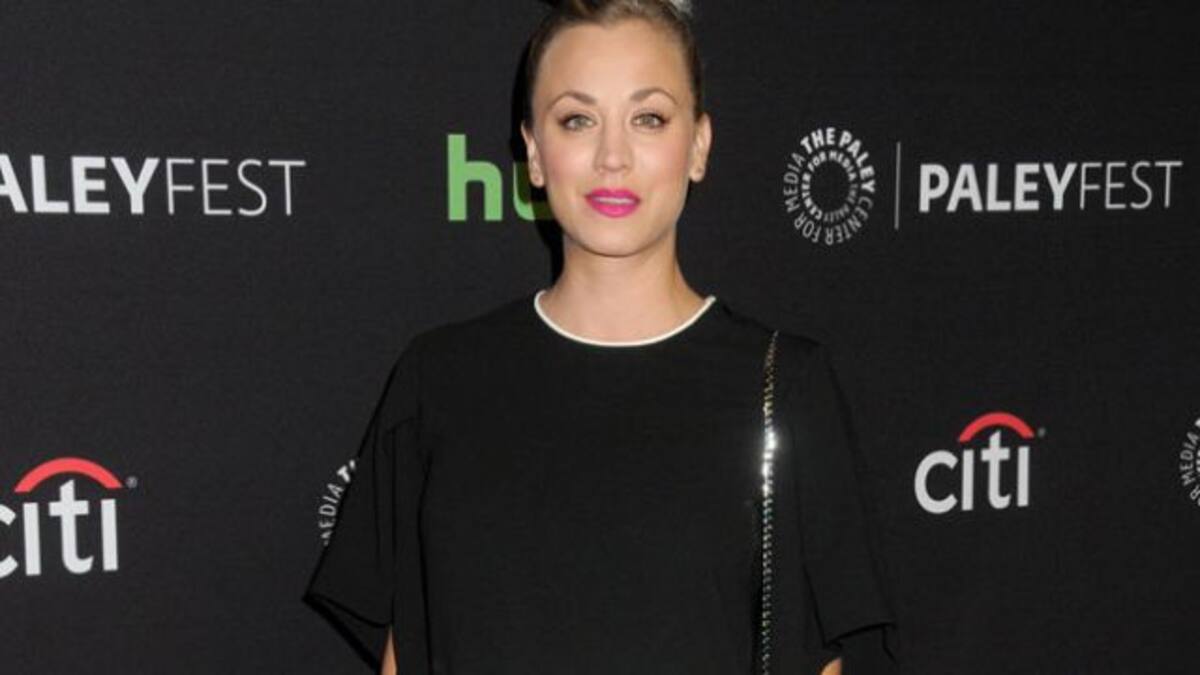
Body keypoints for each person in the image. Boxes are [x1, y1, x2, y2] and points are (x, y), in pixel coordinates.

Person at [304, 1, 897, 673]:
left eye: (649, 118)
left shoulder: (786, 384)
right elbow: (407, 653)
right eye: (577, 119)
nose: (613, 157)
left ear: (699, 145)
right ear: (534, 152)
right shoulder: (439, 380)